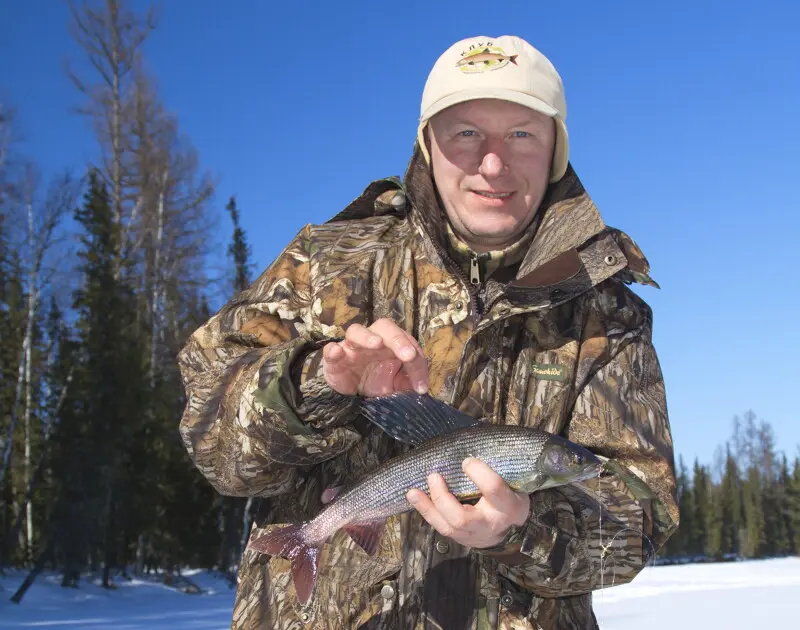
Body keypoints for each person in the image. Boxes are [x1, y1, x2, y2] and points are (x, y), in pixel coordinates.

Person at [178, 34, 678, 630]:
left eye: (522, 134)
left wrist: (520, 531)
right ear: (428, 146)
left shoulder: (608, 315)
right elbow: (213, 445)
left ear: (555, 151)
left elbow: (636, 523)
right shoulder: (326, 263)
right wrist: (318, 383)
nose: (493, 163)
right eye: (466, 132)